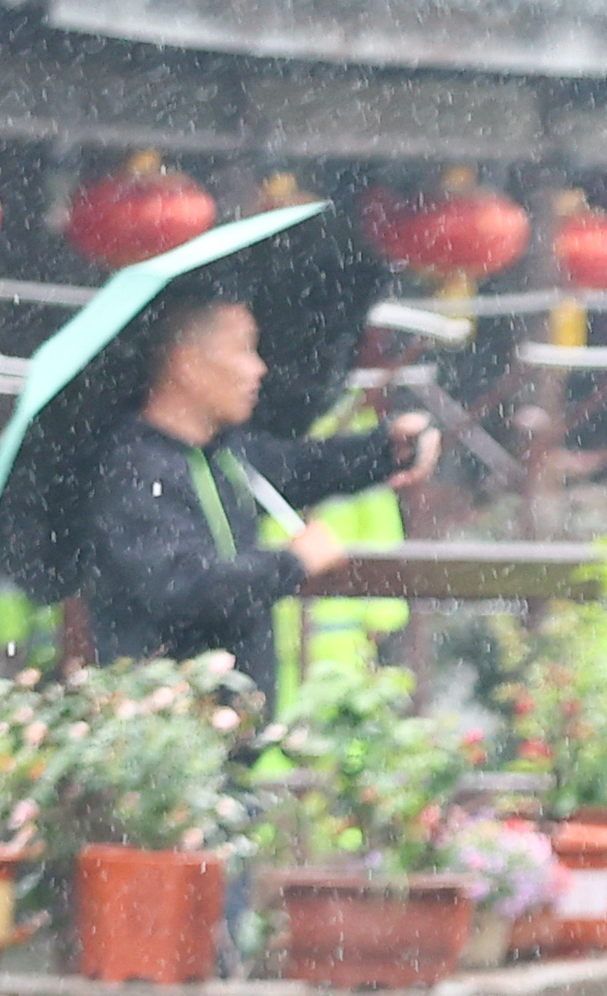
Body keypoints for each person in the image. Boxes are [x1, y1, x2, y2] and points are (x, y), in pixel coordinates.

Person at [70, 274, 432, 705]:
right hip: (169, 728)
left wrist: (390, 448)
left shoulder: (224, 454)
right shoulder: (134, 467)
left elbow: (305, 466)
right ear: (186, 364)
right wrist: (293, 562)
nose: (258, 369)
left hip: (232, 729)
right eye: (243, 350)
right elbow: (182, 587)